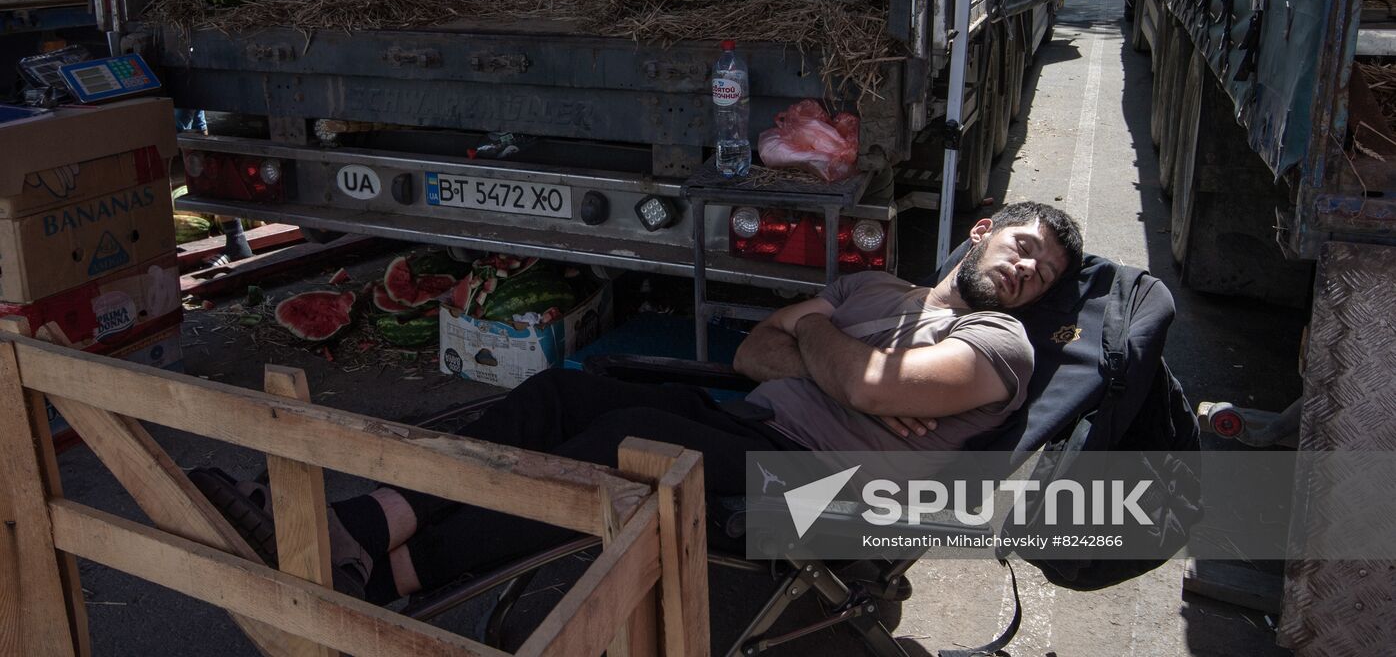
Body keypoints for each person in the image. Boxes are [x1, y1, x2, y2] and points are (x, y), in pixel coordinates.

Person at [193, 202, 1082, 603]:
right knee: (557, 395)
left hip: (827, 496)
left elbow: (844, 375)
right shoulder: (878, 290)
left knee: (623, 438)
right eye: (1023, 244)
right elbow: (752, 349)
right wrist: (827, 355)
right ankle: (358, 527)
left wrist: (821, 345)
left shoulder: (1002, 344)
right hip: (757, 425)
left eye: (1042, 273)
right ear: (983, 229)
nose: (1026, 269)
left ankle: (392, 575)